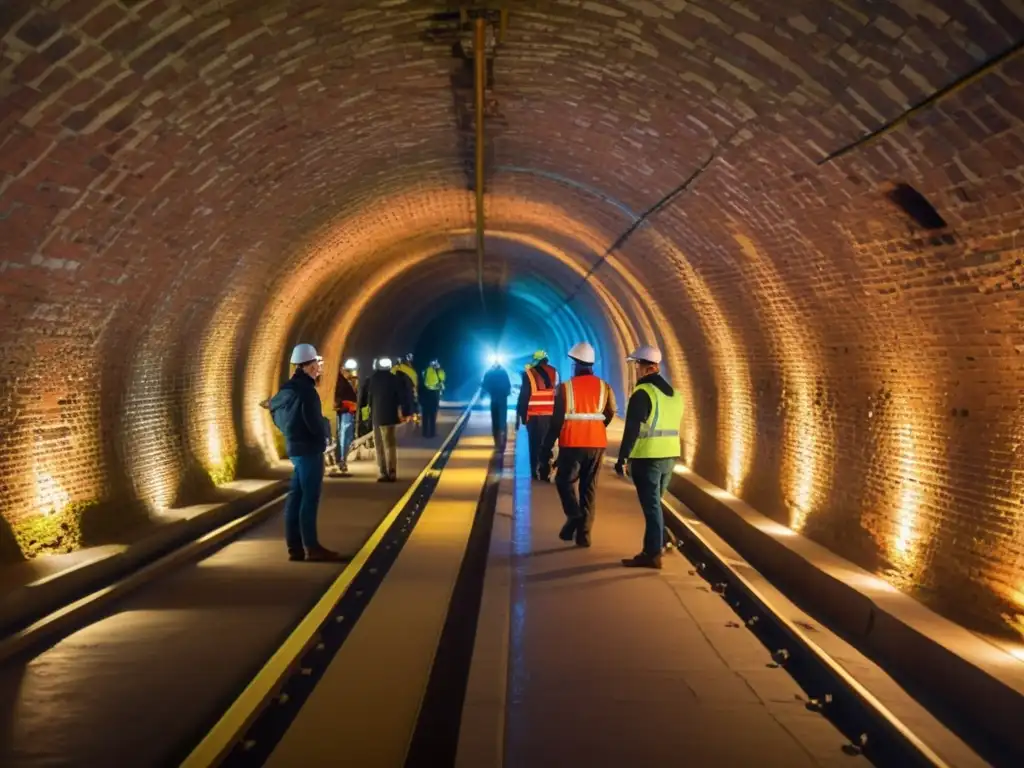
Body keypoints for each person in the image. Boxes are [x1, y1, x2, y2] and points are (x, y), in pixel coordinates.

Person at [267, 343, 344, 562]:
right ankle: (312, 546)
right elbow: (313, 422)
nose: (319, 368)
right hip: (309, 450)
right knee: (310, 499)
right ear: (307, 366)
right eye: (316, 364)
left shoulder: (287, 390)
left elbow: (274, 410)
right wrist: (324, 438)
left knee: (296, 497)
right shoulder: (308, 392)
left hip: (295, 447)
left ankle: (295, 547)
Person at [615, 345, 683, 570]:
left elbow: (632, 428)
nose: (636, 369)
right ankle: (662, 539)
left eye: (637, 365)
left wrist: (622, 457)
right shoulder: (674, 394)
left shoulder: (643, 393)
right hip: (669, 456)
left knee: (651, 506)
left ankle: (652, 553)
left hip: (648, 457)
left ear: (646, 367)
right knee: (656, 503)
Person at [543, 342, 616, 548]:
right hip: (597, 445)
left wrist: (546, 447)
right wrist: (596, 428)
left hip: (572, 443)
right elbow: (610, 413)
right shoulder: (605, 387)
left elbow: (556, 422)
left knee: (563, 482)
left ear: (575, 364)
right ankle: (584, 536)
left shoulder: (565, 388)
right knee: (588, 489)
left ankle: (574, 514)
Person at [358, 356, 413, 482]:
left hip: (376, 417)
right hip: (390, 417)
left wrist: (363, 418)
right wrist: (405, 412)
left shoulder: (371, 380)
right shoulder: (395, 380)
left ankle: (382, 472)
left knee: (379, 446)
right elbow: (402, 397)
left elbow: (364, 399)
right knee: (390, 445)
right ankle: (392, 471)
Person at [516, 349, 558, 481]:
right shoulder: (554, 372)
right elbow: (558, 393)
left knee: (534, 444)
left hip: (534, 415)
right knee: (547, 443)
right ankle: (545, 470)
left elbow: (524, 395)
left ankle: (534, 471)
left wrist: (521, 414)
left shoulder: (528, 374)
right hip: (551, 415)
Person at [331, 358, 359, 476]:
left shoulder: (343, 381)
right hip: (345, 411)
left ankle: (341, 459)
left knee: (344, 436)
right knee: (344, 436)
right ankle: (341, 460)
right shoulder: (340, 381)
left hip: (346, 410)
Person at [480, 357, 512, 450]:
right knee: (502, 419)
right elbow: (508, 385)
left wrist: (482, 395)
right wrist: (507, 393)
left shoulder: (489, 372)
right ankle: (503, 440)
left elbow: (484, 385)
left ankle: (497, 442)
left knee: (495, 421)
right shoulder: (504, 372)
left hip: (494, 399)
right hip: (502, 399)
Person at [421, 359, 446, 438]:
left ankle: (424, 432)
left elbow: (422, 379)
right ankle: (432, 432)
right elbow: (443, 378)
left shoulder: (425, 371)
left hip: (425, 394)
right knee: (432, 415)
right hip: (434, 394)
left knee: (425, 414)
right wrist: (439, 369)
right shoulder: (439, 371)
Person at [394, 353, 419, 424]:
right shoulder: (403, 369)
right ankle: (409, 416)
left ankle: (412, 416)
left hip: (407, 389)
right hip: (405, 389)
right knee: (407, 402)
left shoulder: (408, 369)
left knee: (410, 402)